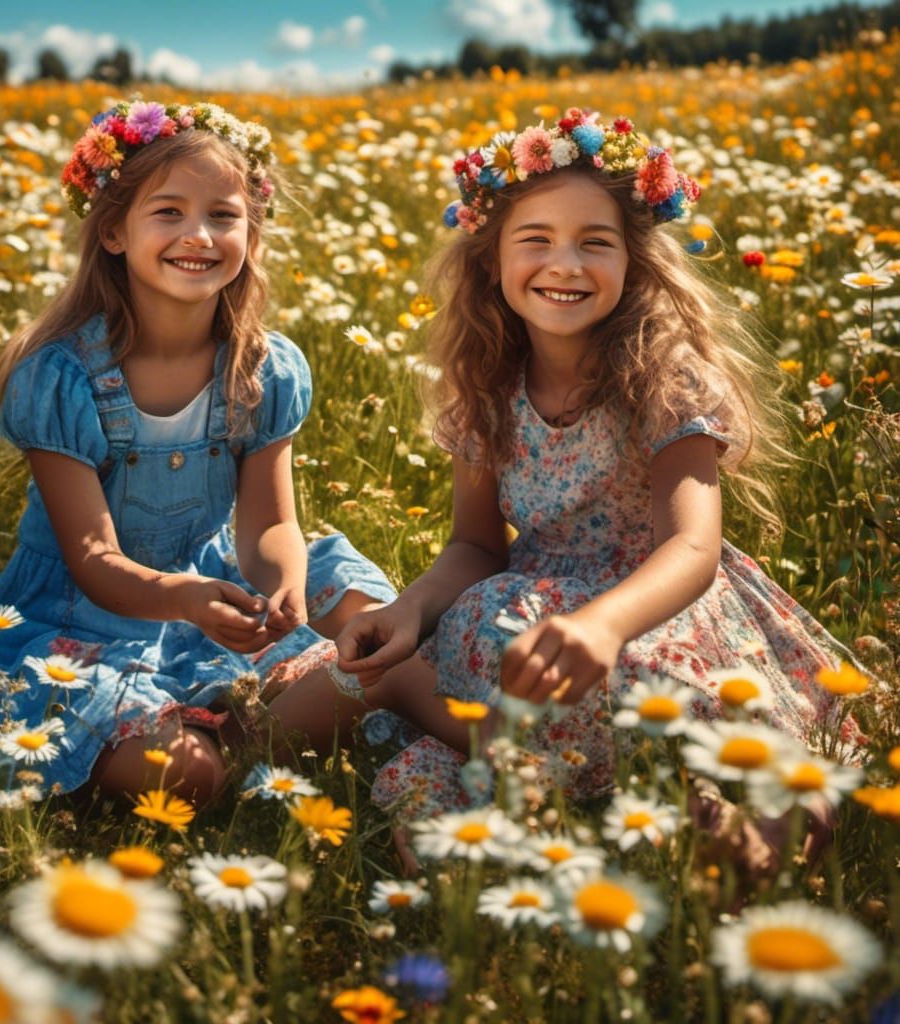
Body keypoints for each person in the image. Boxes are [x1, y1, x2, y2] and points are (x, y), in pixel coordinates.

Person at [267, 109, 861, 834]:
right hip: (530, 612)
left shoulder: (662, 377)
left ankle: (736, 819)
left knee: (663, 702)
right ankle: (572, 771)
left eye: (595, 243)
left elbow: (693, 549)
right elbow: (476, 549)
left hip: (652, 612)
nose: (566, 265)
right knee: (488, 631)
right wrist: (410, 610)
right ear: (492, 260)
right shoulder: (488, 387)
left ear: (633, 261)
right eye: (536, 240)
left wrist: (605, 626)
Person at [0, 100, 396, 806]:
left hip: (213, 585)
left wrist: (285, 582)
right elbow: (95, 564)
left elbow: (268, 528)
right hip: (74, 623)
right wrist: (190, 603)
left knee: (381, 621)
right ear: (114, 230)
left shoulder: (262, 372)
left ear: (251, 233)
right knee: (185, 775)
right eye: (168, 212)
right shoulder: (61, 377)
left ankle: (267, 716)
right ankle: (244, 738)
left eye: (224, 216)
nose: (198, 235)